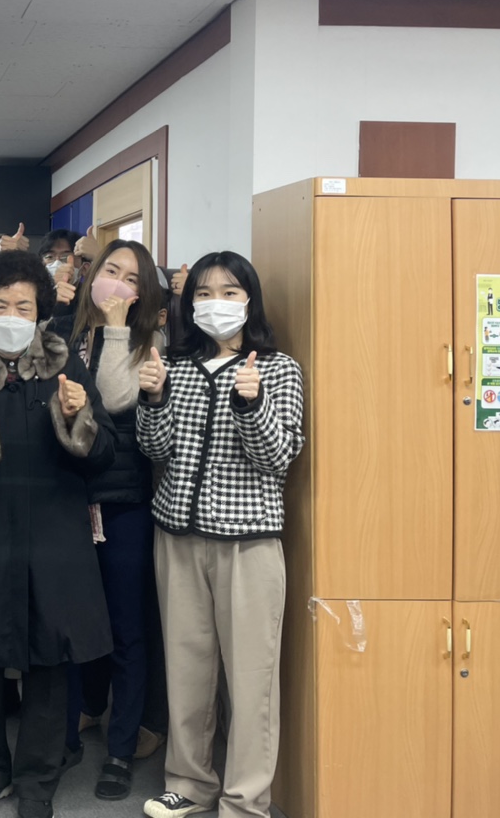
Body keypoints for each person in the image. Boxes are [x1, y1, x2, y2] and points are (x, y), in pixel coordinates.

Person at [0, 249, 118, 818]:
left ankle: (38, 779)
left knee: (50, 660)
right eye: (0, 305)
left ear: (41, 313)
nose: (11, 315)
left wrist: (79, 418)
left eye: (24, 306)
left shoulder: (66, 367)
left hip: (54, 542)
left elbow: (105, 455)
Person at [136, 252, 304, 818]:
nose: (216, 304)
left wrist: (251, 403)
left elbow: (278, 457)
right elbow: (154, 450)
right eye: (203, 294)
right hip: (178, 537)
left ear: (250, 301)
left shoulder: (278, 369)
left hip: (248, 542)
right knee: (186, 669)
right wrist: (154, 399)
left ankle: (246, 799)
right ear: (189, 304)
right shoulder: (174, 365)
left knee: (252, 678)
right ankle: (190, 782)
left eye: (230, 292)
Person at [56, 240, 167, 800]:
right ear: (92, 273)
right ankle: (74, 724)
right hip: (69, 501)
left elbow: (111, 402)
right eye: (110, 271)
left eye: (131, 278)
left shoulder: (150, 344)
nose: (117, 284)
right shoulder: (66, 334)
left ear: (143, 293)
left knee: (127, 629)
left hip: (124, 504)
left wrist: (119, 328)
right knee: (73, 626)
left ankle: (121, 748)